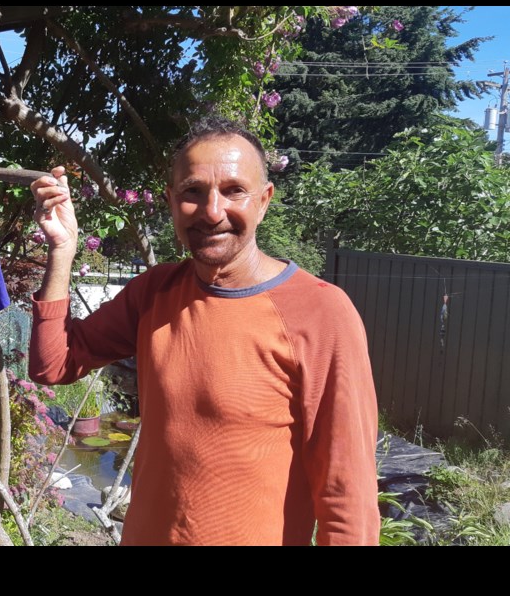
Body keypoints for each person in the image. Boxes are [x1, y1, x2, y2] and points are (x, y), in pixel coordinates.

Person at [28, 117, 380, 546]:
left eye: (234, 190)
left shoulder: (320, 313)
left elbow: (347, 494)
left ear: (264, 201)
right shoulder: (154, 293)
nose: (213, 212)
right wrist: (63, 249)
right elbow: (52, 364)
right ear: (171, 202)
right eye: (193, 192)